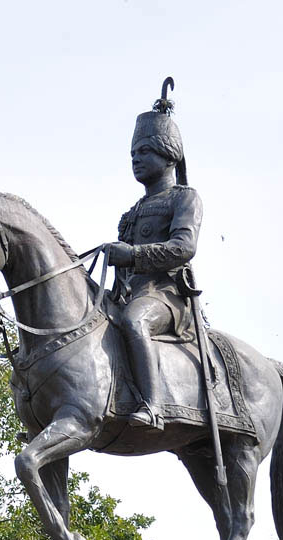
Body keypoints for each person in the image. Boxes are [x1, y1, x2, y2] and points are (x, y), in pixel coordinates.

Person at [105, 84, 203, 432]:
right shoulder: (130, 212)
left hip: (167, 297)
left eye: (145, 150)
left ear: (169, 155)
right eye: (133, 151)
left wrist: (132, 255)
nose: (135, 158)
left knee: (134, 321)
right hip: (132, 294)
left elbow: (183, 248)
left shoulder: (184, 198)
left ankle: (153, 404)